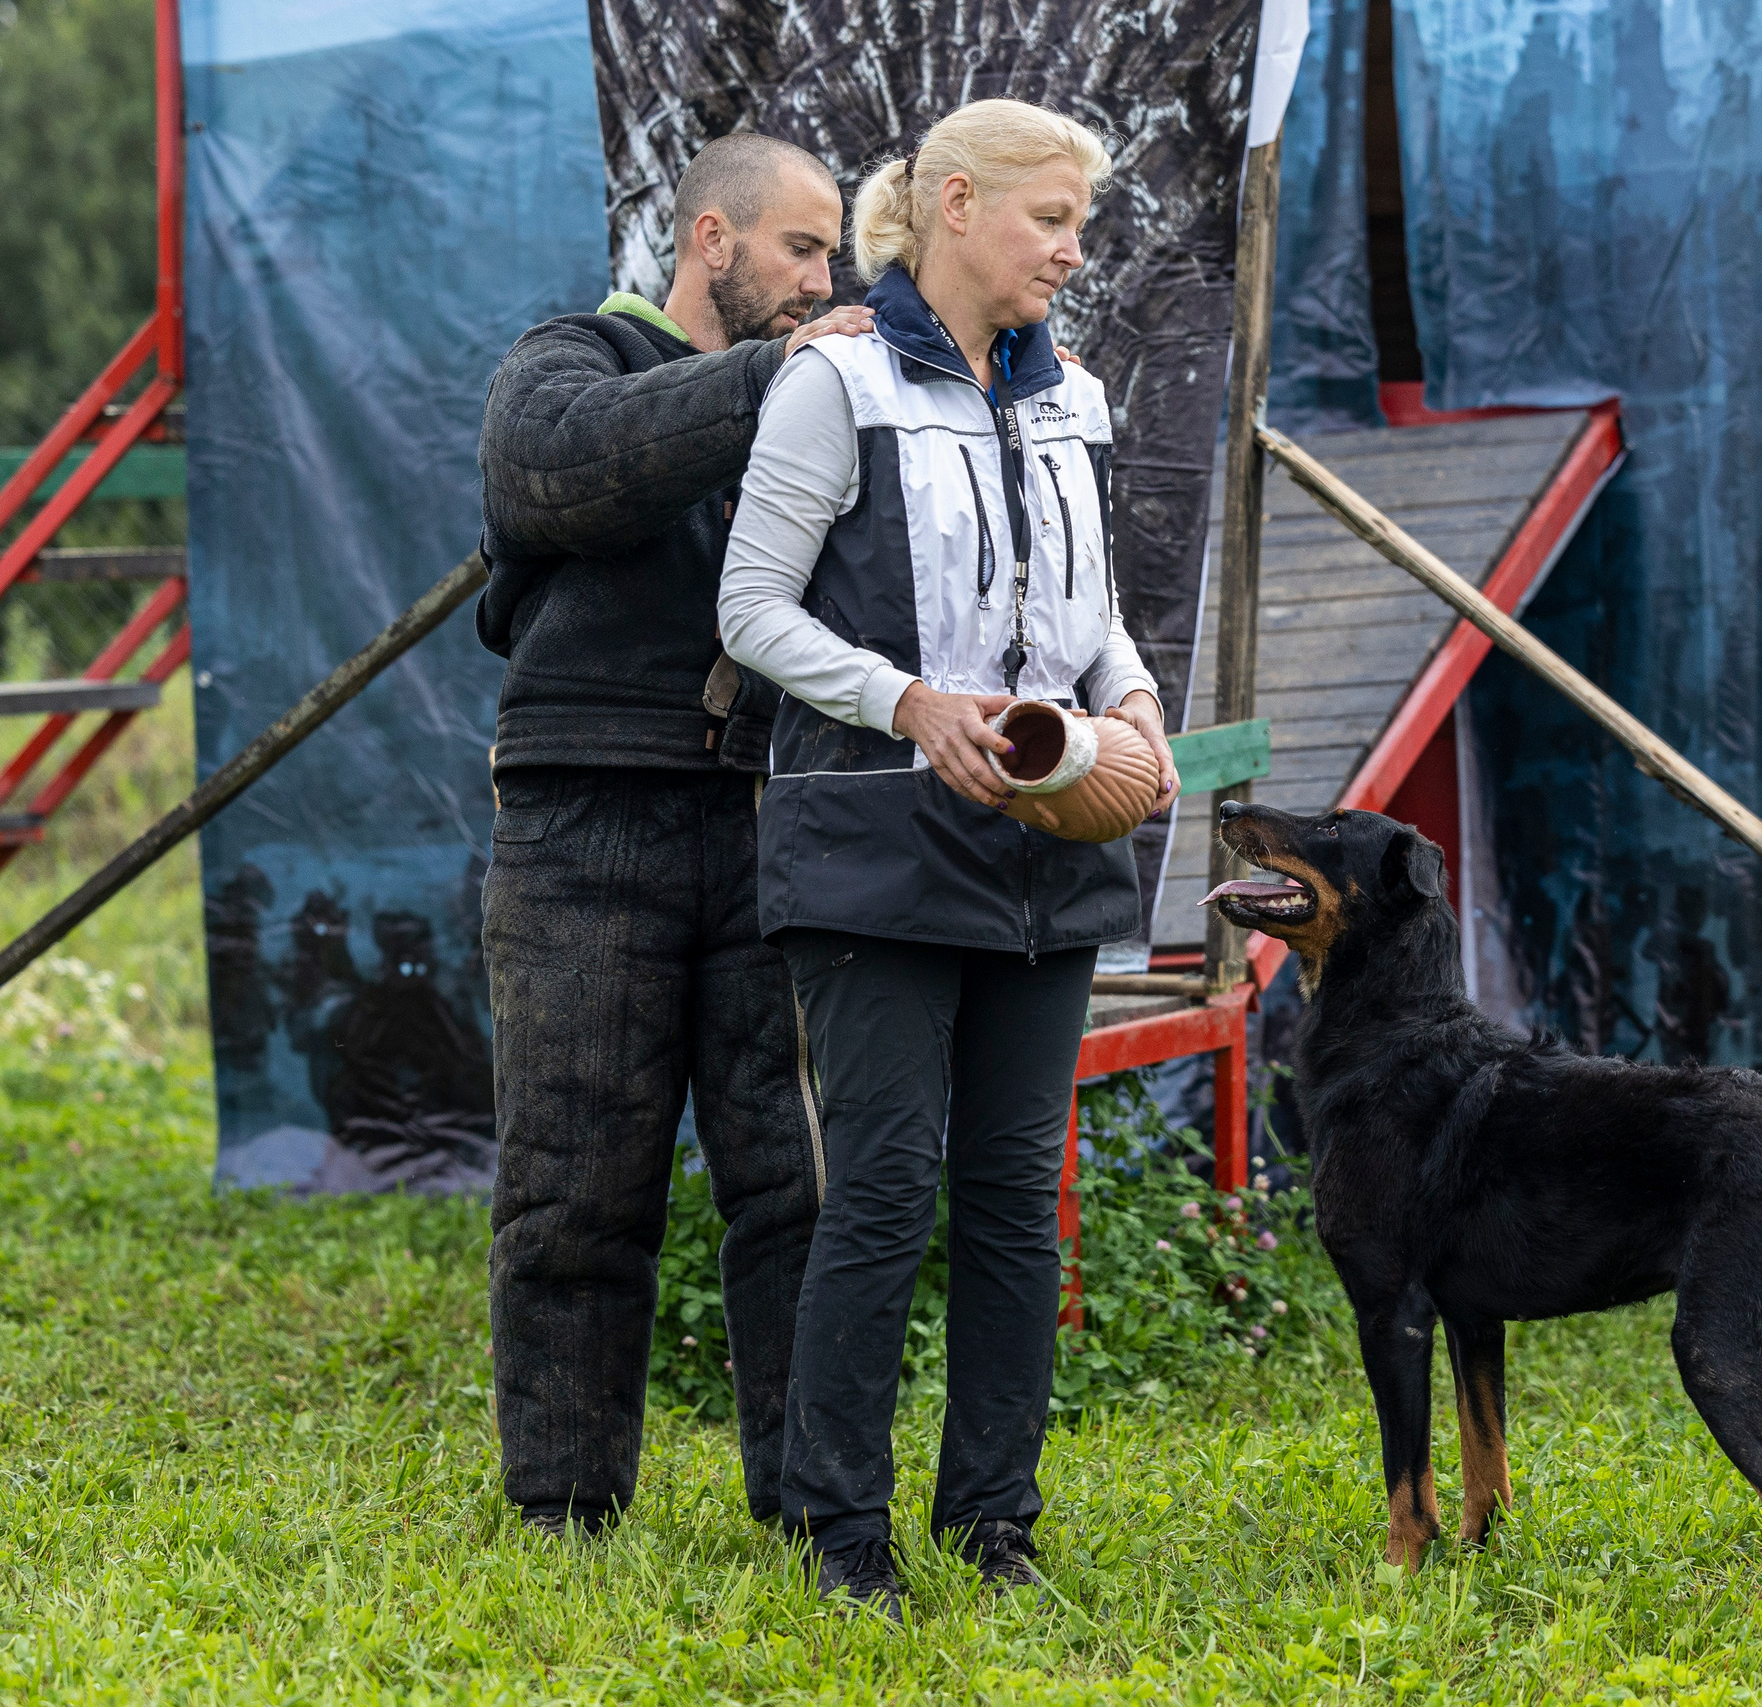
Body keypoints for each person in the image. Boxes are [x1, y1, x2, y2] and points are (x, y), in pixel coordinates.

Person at [717, 97, 1178, 1622]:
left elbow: (1091, 604)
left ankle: (994, 1527)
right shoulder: (832, 384)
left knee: (1011, 1195)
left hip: (1045, 850)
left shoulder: (1077, 399)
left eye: (1081, 226)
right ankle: (836, 1530)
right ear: (959, 204)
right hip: (870, 845)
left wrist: (1135, 702)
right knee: (885, 1192)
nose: (1071, 252)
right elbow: (753, 611)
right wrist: (908, 701)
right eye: (1051, 221)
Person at [476, 132, 879, 1538]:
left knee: (796, 1189)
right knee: (575, 1187)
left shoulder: (826, 395)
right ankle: (564, 1512)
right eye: (801, 249)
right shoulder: (570, 357)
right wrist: (776, 375)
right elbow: (553, 473)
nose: (826, 279)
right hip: (586, 818)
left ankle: (811, 1504)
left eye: (834, 254)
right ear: (712, 240)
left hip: (771, 812)